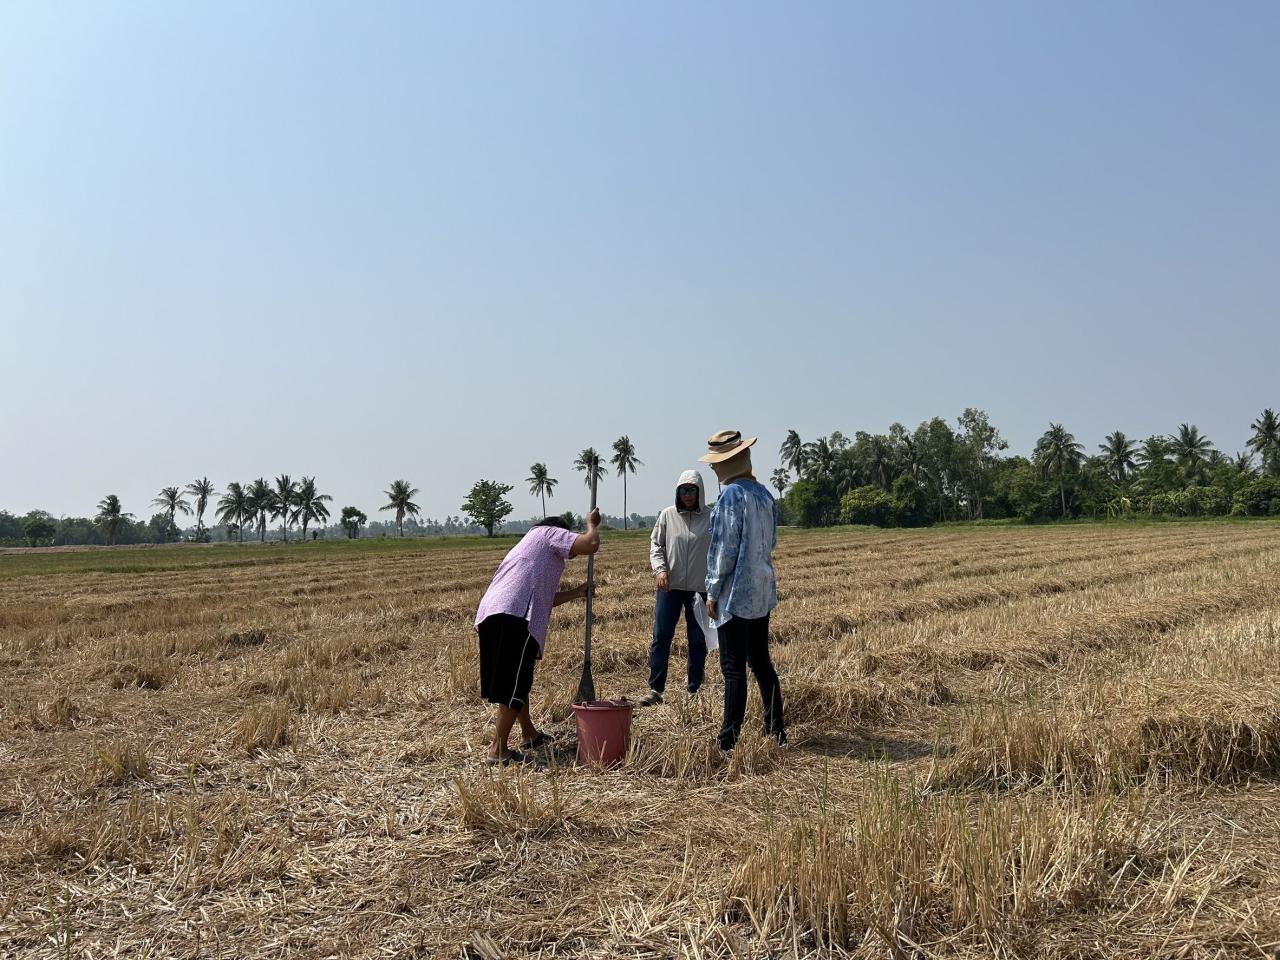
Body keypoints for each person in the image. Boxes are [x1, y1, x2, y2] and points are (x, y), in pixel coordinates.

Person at [473, 510, 601, 763]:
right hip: (515, 616)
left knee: (517, 680)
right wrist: (592, 525)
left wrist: (576, 592)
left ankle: (529, 734)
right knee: (514, 685)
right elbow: (590, 544)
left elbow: (544, 599)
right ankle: (497, 750)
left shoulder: (532, 548)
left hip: (495, 613)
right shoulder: (548, 533)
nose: (571, 554)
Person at [700, 430, 786, 752]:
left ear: (727, 463)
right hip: (761, 591)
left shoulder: (730, 497)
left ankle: (728, 739)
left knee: (733, 668)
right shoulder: (765, 495)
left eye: (715, 463)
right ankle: (776, 729)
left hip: (735, 594)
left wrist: (711, 590)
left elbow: (723, 549)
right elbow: (772, 542)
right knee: (761, 662)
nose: (712, 469)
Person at [640, 470, 711, 706]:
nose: (688, 495)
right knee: (661, 636)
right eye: (683, 490)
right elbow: (656, 545)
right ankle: (655, 689)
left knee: (698, 639)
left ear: (700, 492)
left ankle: (695, 689)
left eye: (692, 490)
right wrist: (660, 570)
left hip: (700, 588)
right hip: (669, 587)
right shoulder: (667, 516)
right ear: (677, 492)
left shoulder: (711, 518)